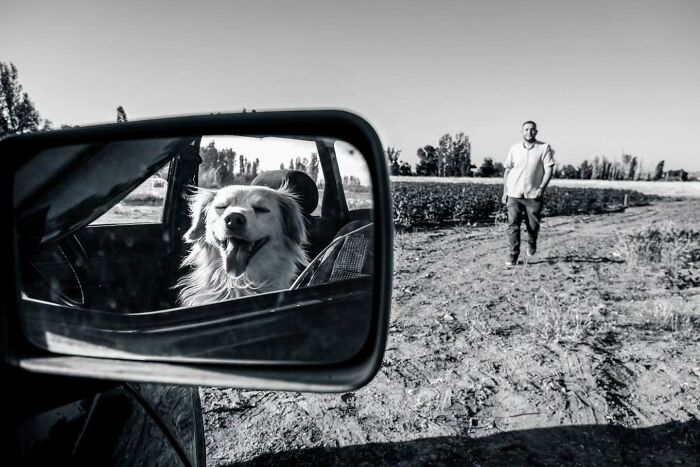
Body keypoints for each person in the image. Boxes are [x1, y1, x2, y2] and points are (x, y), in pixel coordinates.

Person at [501, 121, 555, 266]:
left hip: (533, 196)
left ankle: (532, 243)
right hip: (514, 194)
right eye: (526, 130)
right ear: (522, 132)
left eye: (532, 130)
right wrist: (505, 191)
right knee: (513, 225)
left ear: (536, 132)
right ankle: (513, 255)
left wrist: (541, 188)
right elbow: (507, 170)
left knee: (533, 226)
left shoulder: (544, 148)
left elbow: (549, 169)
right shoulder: (514, 148)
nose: (529, 132)